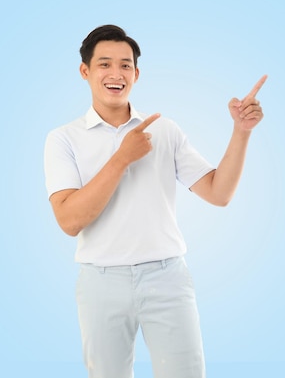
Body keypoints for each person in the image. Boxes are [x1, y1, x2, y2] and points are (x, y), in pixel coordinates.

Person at [43, 24, 266, 378]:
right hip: (101, 281)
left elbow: (218, 193)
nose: (116, 74)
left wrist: (241, 132)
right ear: (85, 71)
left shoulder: (164, 130)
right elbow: (70, 221)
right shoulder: (63, 139)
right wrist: (121, 158)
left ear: (136, 73)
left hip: (167, 277)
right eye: (104, 65)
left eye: (125, 65)